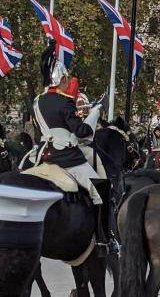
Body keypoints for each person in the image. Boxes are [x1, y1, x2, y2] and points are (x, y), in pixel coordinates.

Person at [31, 41, 117, 255]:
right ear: (60, 79)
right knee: (101, 191)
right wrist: (95, 113)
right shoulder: (65, 101)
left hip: (43, 154)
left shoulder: (37, 101)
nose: (66, 83)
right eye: (65, 80)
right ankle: (104, 241)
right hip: (66, 156)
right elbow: (82, 132)